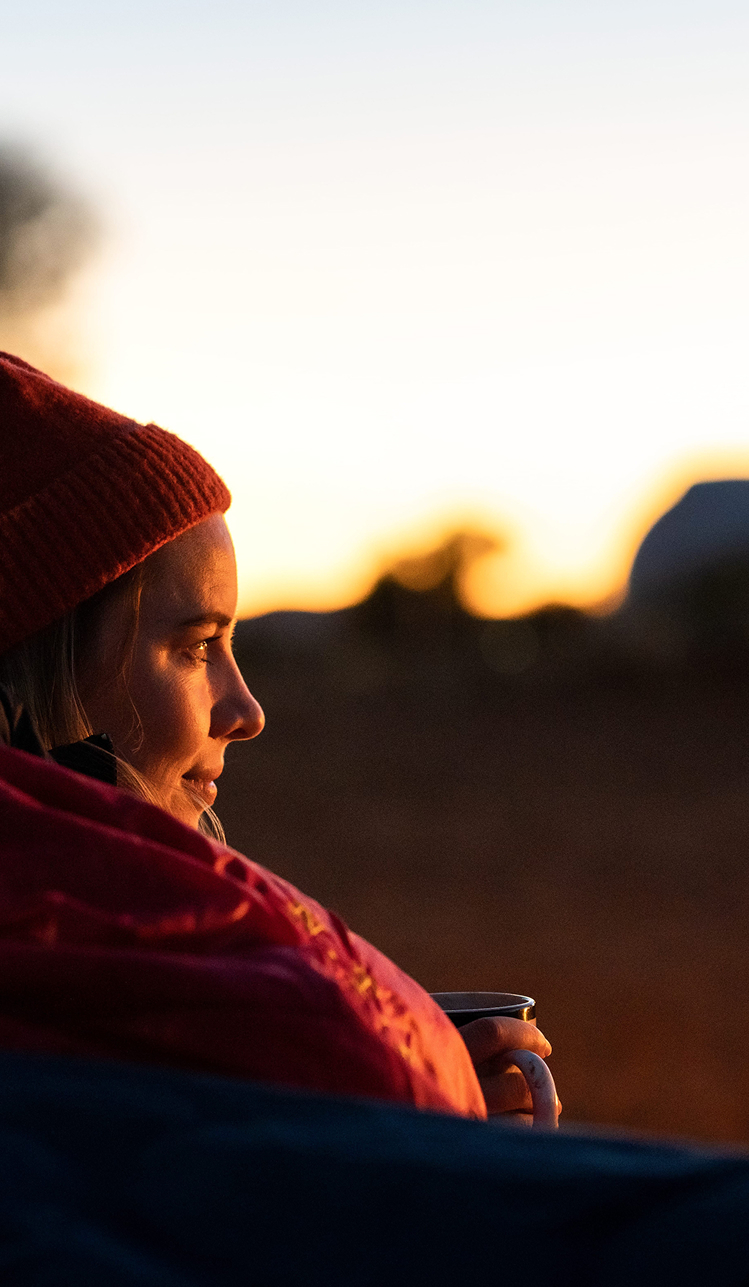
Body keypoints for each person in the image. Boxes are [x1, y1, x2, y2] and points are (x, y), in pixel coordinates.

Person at [0, 350, 553, 1121]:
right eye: (195, 647)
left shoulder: (118, 981)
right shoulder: (128, 973)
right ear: (32, 673)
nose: (248, 709)